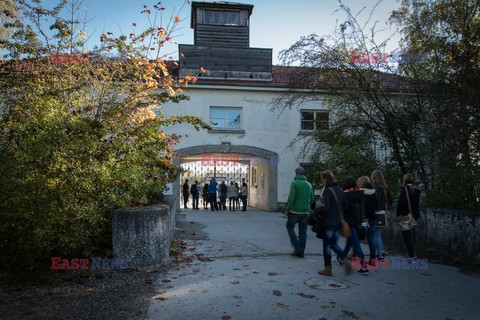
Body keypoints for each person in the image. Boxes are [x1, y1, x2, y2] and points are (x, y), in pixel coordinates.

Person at [318, 171, 351, 276]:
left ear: (325, 179)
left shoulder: (327, 191)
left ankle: (328, 269)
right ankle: (345, 259)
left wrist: (319, 210)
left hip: (329, 222)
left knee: (327, 245)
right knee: (333, 244)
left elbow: (326, 208)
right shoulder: (340, 189)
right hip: (339, 222)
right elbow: (346, 206)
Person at [284, 167, 314, 258]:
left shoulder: (294, 183)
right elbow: (312, 199)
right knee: (303, 232)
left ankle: (297, 247)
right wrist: (307, 207)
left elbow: (291, 198)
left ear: (297, 173)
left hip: (294, 211)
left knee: (289, 226)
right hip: (305, 212)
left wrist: (287, 209)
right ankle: (301, 252)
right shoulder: (309, 184)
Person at [341, 177, 368, 273]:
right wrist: (362, 220)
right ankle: (342, 257)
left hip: (348, 222)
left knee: (356, 244)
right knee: (350, 241)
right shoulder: (360, 193)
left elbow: (343, 209)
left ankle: (364, 266)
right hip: (357, 222)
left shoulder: (344, 195)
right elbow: (362, 209)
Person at [396, 173, 421, 263]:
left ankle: (411, 256)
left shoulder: (405, 190)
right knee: (412, 235)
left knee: (407, 236)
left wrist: (399, 214)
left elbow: (401, 203)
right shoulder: (416, 190)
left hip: (406, 215)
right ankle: (412, 255)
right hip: (415, 215)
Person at [371, 170, 392, 260]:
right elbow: (390, 200)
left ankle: (379, 254)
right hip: (384, 213)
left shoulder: (375, 187)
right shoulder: (385, 188)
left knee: (375, 234)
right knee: (378, 233)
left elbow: (374, 201)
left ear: (374, 177)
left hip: (377, 213)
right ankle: (380, 251)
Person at [357, 176, 378, 265]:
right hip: (372, 217)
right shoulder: (374, 191)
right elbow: (377, 204)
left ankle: (355, 256)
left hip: (363, 218)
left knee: (357, 238)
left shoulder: (360, 192)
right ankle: (373, 259)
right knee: (371, 238)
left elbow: (360, 206)